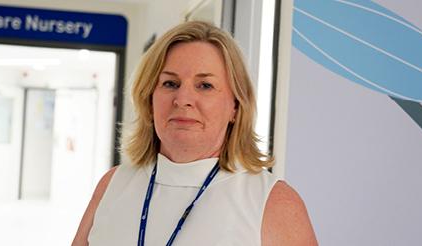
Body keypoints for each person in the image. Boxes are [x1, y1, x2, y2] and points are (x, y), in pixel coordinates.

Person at [72, 21, 317, 246]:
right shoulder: (112, 185)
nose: (183, 99)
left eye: (205, 85)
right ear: (149, 100)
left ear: (235, 106)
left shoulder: (274, 202)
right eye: (170, 83)